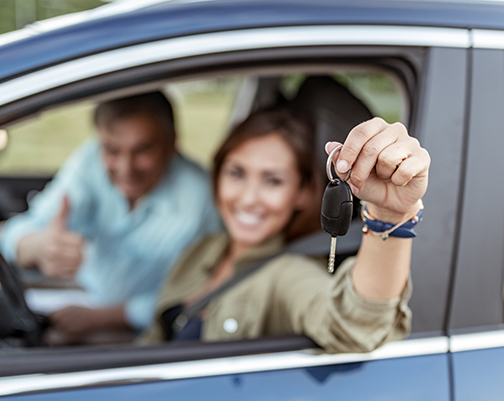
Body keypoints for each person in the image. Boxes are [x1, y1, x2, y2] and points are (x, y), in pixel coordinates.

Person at [139, 107, 429, 353]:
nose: (247, 198)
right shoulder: (204, 249)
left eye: (273, 181)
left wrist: (390, 215)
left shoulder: (287, 274)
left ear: (302, 192)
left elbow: (353, 326)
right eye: (236, 173)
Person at [0, 92, 220, 342]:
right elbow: (14, 233)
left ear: (172, 144)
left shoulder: (202, 201)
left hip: (146, 327)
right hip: (82, 291)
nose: (126, 168)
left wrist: (101, 317)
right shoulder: (90, 162)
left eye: (143, 150)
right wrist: (37, 248)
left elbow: (202, 293)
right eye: (112, 150)